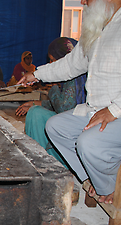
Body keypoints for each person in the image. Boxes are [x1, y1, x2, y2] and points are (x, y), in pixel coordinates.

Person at [18, 0, 121, 204]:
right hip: (100, 109)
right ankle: (95, 181)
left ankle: (108, 188)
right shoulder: (97, 26)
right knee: (55, 127)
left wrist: (114, 109)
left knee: (90, 142)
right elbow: (72, 64)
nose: (83, 1)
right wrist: (36, 75)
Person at [15, 37, 87, 166]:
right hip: (76, 119)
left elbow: (64, 108)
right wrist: (35, 103)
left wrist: (53, 87)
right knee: (35, 109)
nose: (52, 64)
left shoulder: (73, 77)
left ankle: (49, 163)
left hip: (79, 127)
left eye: (54, 61)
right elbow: (66, 104)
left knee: (36, 114)